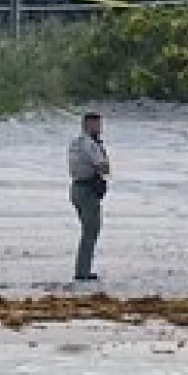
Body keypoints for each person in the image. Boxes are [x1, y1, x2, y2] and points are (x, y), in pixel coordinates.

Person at [67, 111, 112, 282]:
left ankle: (83, 269)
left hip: (76, 188)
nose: (100, 128)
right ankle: (83, 271)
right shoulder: (91, 144)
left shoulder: (75, 143)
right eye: (97, 125)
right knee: (91, 231)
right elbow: (103, 167)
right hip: (87, 189)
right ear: (87, 125)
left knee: (88, 231)